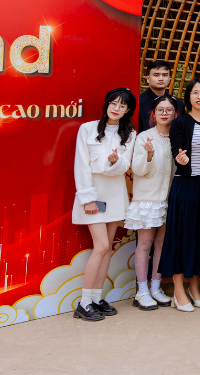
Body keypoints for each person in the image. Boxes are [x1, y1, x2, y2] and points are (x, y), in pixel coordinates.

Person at [72, 88, 136, 321]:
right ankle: (84, 303)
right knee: (100, 246)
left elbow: (125, 166)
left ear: (127, 110)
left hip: (115, 194)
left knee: (107, 248)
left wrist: (115, 162)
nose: (116, 108)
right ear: (107, 104)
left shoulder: (130, 134)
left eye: (122, 106)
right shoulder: (87, 129)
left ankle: (96, 299)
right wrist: (87, 198)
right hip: (94, 194)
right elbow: (81, 165)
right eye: (113, 103)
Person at [160, 79, 200, 311]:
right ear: (188, 96)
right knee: (182, 236)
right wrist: (181, 159)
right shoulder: (180, 122)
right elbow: (177, 150)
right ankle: (178, 290)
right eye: (195, 92)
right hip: (186, 186)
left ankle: (194, 287)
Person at [127, 95, 178, 310]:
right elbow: (137, 170)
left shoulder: (177, 137)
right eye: (160, 110)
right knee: (145, 244)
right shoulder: (144, 137)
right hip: (148, 200)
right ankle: (142, 290)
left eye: (169, 109)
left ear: (175, 113)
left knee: (161, 244)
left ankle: (156, 288)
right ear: (153, 113)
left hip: (168, 199)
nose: (164, 113)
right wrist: (148, 155)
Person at [138, 60, 179, 133]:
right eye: (156, 75)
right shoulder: (138, 102)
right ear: (148, 79)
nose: (161, 78)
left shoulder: (177, 103)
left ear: (169, 79)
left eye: (165, 75)